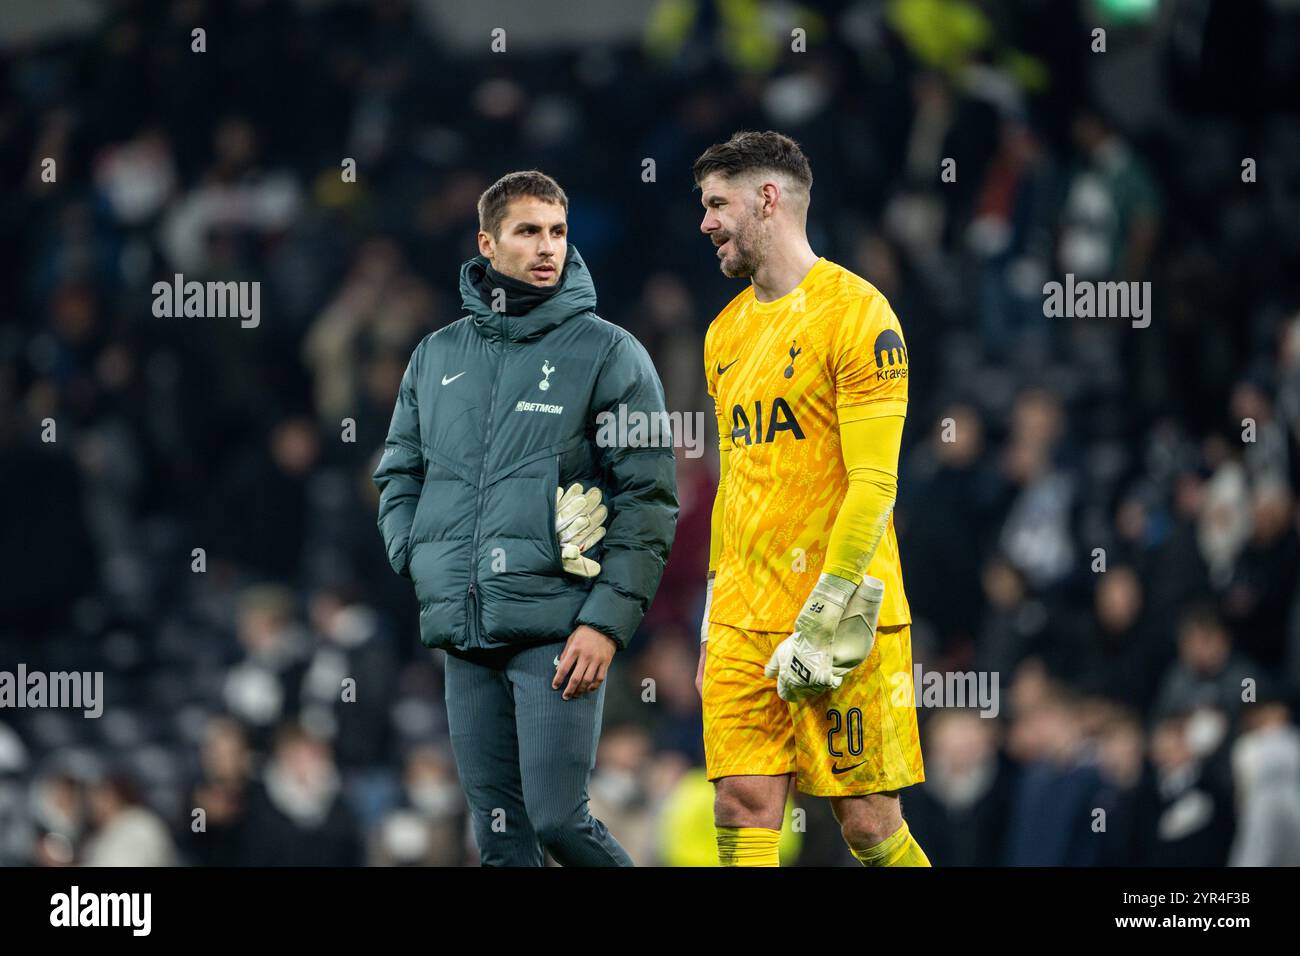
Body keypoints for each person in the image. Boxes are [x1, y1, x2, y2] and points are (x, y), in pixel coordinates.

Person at [373, 170, 678, 866]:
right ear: (487, 242)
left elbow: (649, 501)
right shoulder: (436, 355)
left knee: (558, 823)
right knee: (501, 843)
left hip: (557, 627)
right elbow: (398, 471)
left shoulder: (610, 352)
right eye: (528, 231)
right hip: (465, 631)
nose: (548, 247)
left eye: (558, 232)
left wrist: (604, 622)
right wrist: (417, 556)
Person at [692, 131, 929, 866]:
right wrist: (711, 624)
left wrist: (824, 611)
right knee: (741, 804)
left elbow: (875, 484)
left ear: (768, 199)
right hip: (742, 616)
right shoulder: (723, 334)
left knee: (866, 820)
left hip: (843, 610)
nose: (705, 223)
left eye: (716, 204)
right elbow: (736, 487)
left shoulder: (859, 314)